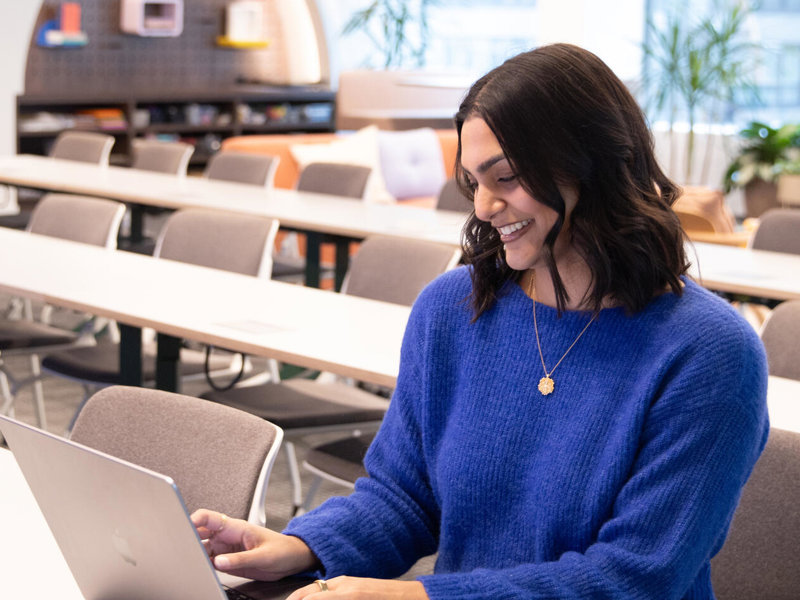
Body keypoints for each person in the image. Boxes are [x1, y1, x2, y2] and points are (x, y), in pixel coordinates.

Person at [192, 43, 768, 599]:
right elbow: (405, 497)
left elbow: (634, 578)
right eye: (473, 182)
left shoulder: (710, 352)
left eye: (506, 178)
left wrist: (416, 597)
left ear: (591, 166)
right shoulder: (452, 309)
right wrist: (301, 547)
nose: (483, 208)